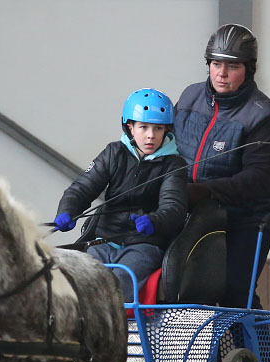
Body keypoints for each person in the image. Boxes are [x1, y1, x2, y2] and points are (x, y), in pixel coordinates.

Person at [174, 23, 270, 309]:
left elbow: (258, 180)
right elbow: (167, 149)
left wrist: (203, 191)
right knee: (179, 285)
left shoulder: (264, 117)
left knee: (234, 294)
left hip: (247, 218)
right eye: (216, 64)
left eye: (232, 66)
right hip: (194, 210)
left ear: (250, 69)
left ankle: (257, 354)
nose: (222, 74)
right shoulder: (189, 98)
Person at [54, 88, 186, 302]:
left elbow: (174, 207)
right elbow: (82, 187)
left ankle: (115, 333)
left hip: (144, 245)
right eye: (143, 127)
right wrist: (67, 210)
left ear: (167, 130)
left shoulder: (175, 164)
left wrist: (154, 221)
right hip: (102, 240)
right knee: (86, 278)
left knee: (121, 280)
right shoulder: (113, 152)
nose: (151, 135)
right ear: (130, 127)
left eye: (158, 128)